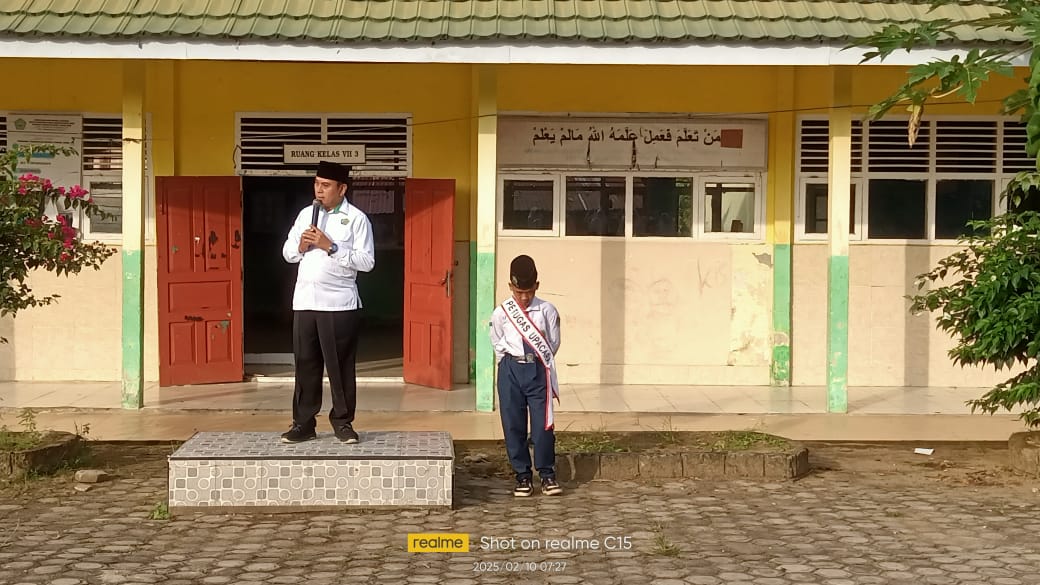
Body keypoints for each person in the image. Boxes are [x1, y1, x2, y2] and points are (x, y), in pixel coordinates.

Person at [280, 161, 375, 444]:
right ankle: (303, 424)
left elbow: (367, 262)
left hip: (338, 304)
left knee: (339, 367)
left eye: (326, 185)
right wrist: (300, 246)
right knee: (305, 365)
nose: (319, 191)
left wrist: (330, 247)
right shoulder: (305, 215)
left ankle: (343, 423)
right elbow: (287, 253)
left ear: (342, 189)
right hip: (305, 301)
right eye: (316, 184)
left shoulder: (356, 219)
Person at [489, 255, 563, 496]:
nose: (524, 297)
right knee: (513, 424)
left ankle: (547, 474)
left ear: (537, 286)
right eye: (519, 292)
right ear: (510, 287)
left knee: (543, 426)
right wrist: (510, 364)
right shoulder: (501, 313)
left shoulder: (547, 310)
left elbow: (553, 343)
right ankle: (522, 475)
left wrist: (535, 359)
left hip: (538, 370)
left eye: (529, 292)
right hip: (510, 370)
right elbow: (497, 342)